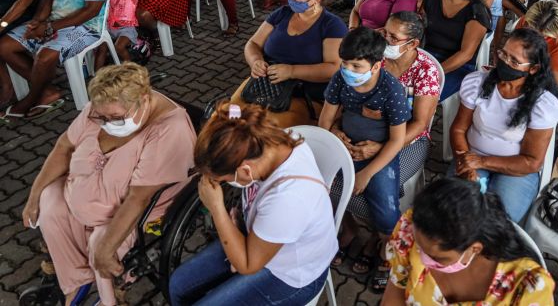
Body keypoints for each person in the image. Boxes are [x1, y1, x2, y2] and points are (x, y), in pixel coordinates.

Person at [20, 63, 196, 306]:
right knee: (50, 200)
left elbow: (138, 198)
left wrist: (105, 249)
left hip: (133, 211)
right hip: (81, 194)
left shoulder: (169, 128)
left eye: (114, 118)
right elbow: (64, 147)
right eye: (99, 116)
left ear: (143, 100)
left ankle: (108, 300)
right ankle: (75, 282)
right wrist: (33, 195)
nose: (104, 122)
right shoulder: (102, 106)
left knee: (100, 242)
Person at [169, 101, 334, 305]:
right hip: (258, 238)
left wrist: (216, 208)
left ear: (245, 169)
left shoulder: (289, 198)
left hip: (290, 276)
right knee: (178, 285)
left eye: (224, 180)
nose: (224, 184)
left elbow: (247, 265)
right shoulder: (266, 142)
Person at [317, 27, 409, 283]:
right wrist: (332, 135)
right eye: (345, 63)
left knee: (385, 207)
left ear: (377, 65)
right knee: (317, 183)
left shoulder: (392, 90)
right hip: (342, 145)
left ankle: (386, 246)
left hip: (378, 155)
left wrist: (367, 174)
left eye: (356, 66)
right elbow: (325, 117)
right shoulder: (339, 79)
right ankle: (346, 229)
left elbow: (397, 140)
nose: (348, 70)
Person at [382, 177, 555, 305]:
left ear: (474, 249)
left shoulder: (526, 287)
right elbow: (394, 295)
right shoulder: (410, 227)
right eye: (419, 247)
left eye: (438, 258)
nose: (422, 258)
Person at [450, 28, 558, 222]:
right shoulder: (478, 84)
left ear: (532, 68)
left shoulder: (542, 104)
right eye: (503, 54)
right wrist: (466, 163)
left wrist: (482, 162)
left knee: (498, 221)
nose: (505, 63)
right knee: (455, 212)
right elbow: (459, 129)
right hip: (471, 157)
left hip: (516, 170)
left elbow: (532, 162)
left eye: (514, 61)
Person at [244, 0, 347, 103]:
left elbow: (334, 68)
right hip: (267, 84)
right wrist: (255, 61)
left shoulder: (332, 25)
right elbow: (253, 44)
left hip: (305, 94)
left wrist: (292, 71)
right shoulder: (283, 13)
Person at [421, 0, 491, 101]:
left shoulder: (476, 11)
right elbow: (419, 28)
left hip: (458, 66)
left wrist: (435, 71)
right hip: (428, 57)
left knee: (423, 96)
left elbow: (465, 54)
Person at [521, 0, 558, 88]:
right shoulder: (528, 22)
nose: (530, 37)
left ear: (551, 35)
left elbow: (550, 88)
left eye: (540, 36)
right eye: (529, 29)